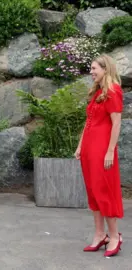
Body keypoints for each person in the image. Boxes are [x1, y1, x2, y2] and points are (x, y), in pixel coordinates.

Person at [76, 54, 124, 257]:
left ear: (106, 69)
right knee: (93, 192)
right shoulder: (98, 92)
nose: (91, 71)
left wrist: (110, 151)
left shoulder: (113, 91)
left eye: (94, 68)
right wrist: (80, 146)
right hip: (89, 149)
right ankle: (99, 234)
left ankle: (114, 236)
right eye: (91, 68)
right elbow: (89, 123)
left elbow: (117, 123)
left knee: (103, 192)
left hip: (102, 150)